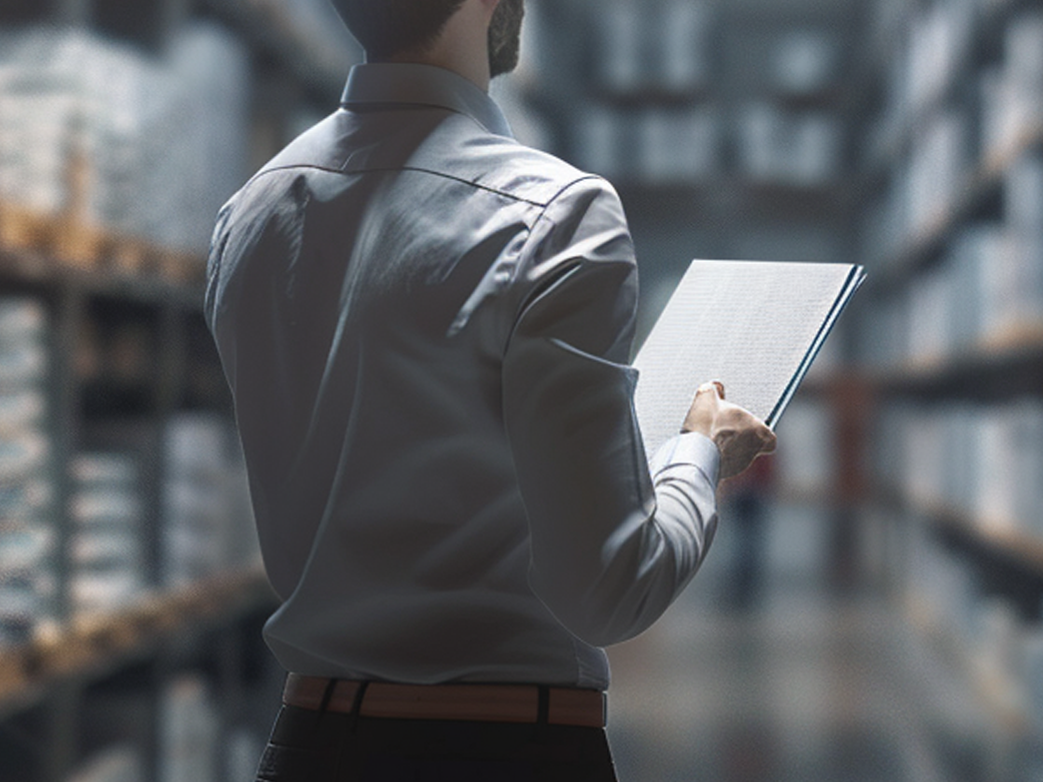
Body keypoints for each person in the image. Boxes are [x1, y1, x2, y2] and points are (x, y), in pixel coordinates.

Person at [202, 1, 777, 779]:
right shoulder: (557, 216)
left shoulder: (251, 216)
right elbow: (611, 590)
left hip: (308, 744)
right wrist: (699, 455)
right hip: (506, 749)